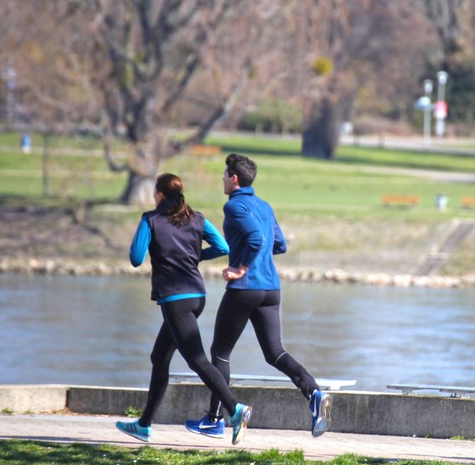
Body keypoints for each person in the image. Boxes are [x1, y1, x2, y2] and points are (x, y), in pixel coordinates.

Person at [185, 153, 333, 440]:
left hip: (245, 289)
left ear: (235, 178)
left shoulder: (235, 206)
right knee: (275, 352)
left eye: (225, 175)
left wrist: (241, 268)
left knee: (219, 353)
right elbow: (279, 245)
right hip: (271, 289)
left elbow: (257, 239)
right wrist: (255, 257)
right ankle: (314, 393)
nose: (222, 179)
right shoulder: (264, 206)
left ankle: (215, 419)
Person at [115, 173, 241, 444]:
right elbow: (223, 247)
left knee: (197, 360)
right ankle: (144, 425)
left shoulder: (151, 219)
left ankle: (236, 410)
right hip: (197, 296)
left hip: (175, 299)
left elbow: (136, 258)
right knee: (159, 358)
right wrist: (195, 255)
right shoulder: (197, 218)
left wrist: (156, 249)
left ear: (159, 194)